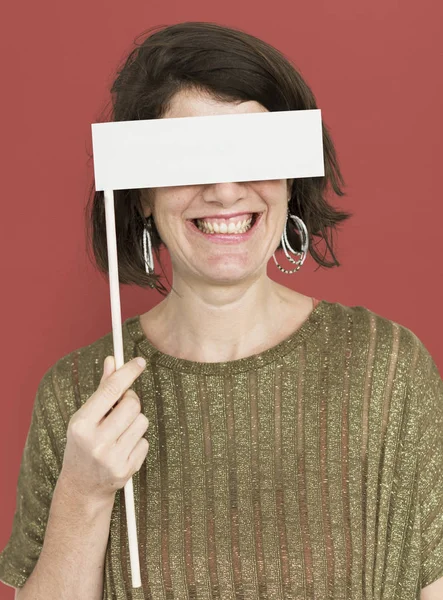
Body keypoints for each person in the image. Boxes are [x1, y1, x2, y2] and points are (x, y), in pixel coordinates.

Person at [0, 21, 442, 600]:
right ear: (143, 195)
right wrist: (83, 494)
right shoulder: (77, 398)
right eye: (187, 159)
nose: (224, 190)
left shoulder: (387, 371)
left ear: (290, 181)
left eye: (252, 154)